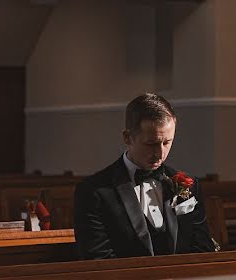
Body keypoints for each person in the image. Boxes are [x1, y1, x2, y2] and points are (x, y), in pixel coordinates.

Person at [74, 93, 216, 259]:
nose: (160, 153)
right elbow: (98, 260)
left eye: (166, 142)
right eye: (151, 143)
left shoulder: (188, 185)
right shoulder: (94, 192)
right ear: (128, 137)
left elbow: (202, 250)